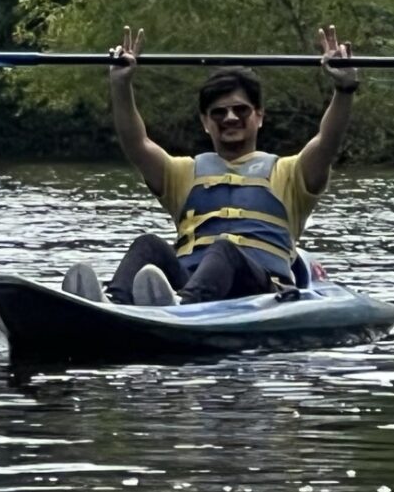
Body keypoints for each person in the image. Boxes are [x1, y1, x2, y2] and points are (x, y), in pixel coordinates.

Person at [68, 25, 356, 306]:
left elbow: (327, 140)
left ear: (259, 116)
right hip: (189, 280)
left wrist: (344, 89)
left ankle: (183, 307)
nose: (230, 118)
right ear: (206, 123)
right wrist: (121, 84)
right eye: (218, 113)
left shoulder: (291, 173)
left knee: (224, 249)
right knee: (148, 244)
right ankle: (115, 304)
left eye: (240, 110)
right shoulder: (183, 173)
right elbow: (136, 144)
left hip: (260, 289)